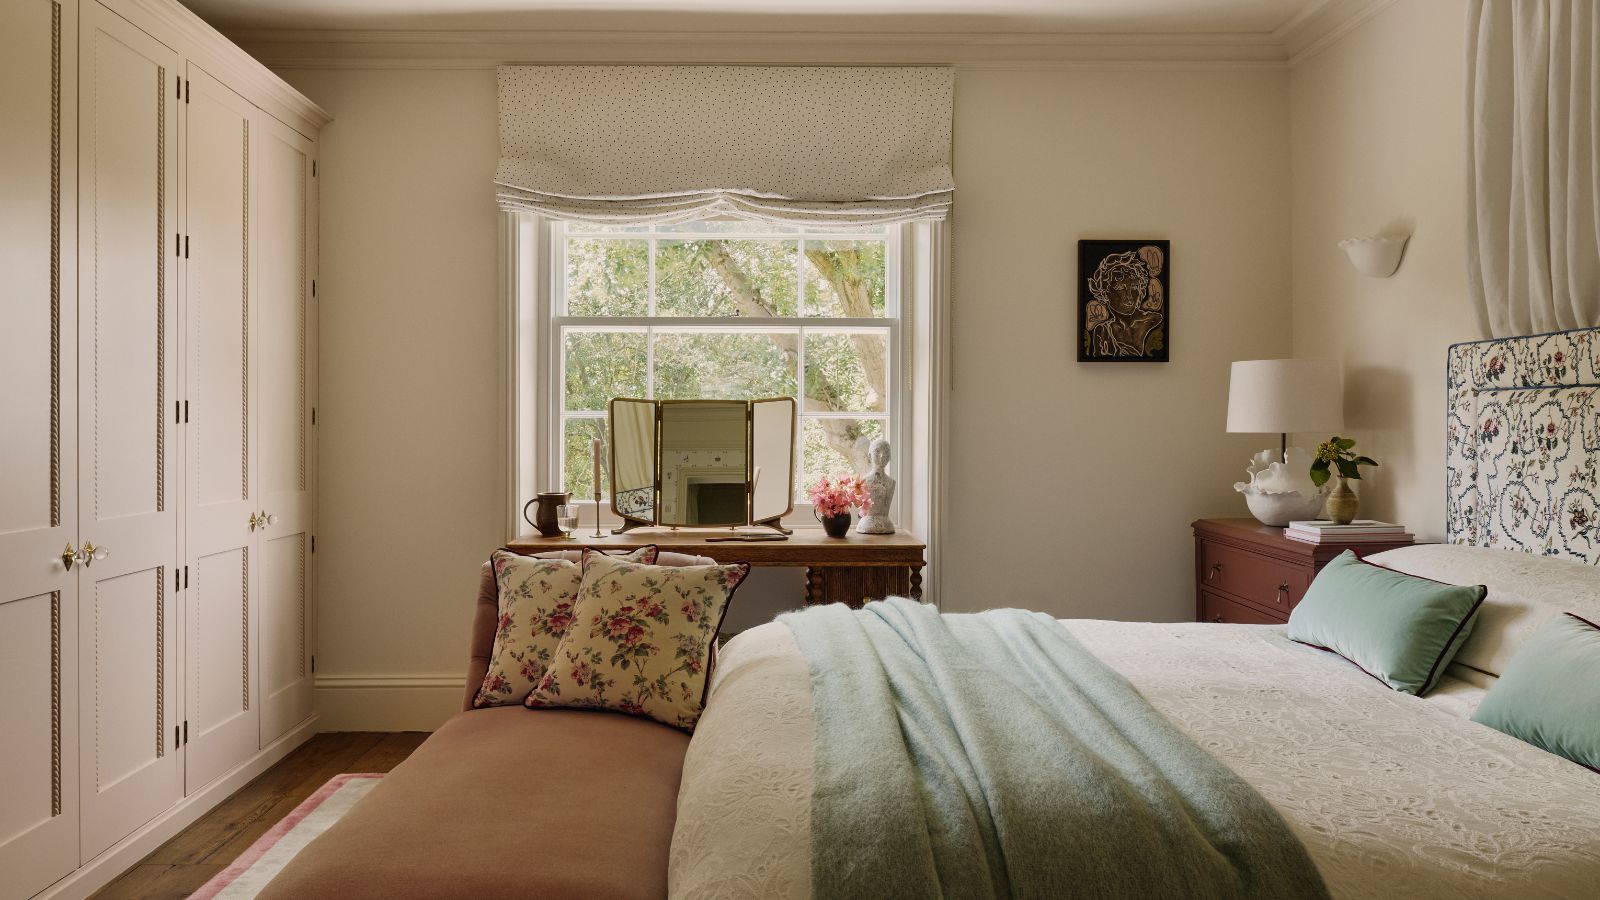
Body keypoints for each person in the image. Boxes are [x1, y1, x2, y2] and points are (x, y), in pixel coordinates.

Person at [1084, 246, 1165, 357]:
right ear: (1104, 293)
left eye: (1135, 287)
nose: (1130, 297)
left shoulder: (1155, 321)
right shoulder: (1102, 332)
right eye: (1120, 288)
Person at [856, 439, 896, 534]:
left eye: (886, 452)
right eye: (877, 451)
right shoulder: (863, 481)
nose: (882, 456)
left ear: (890, 457)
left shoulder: (891, 482)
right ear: (870, 455)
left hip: (886, 525)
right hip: (866, 525)